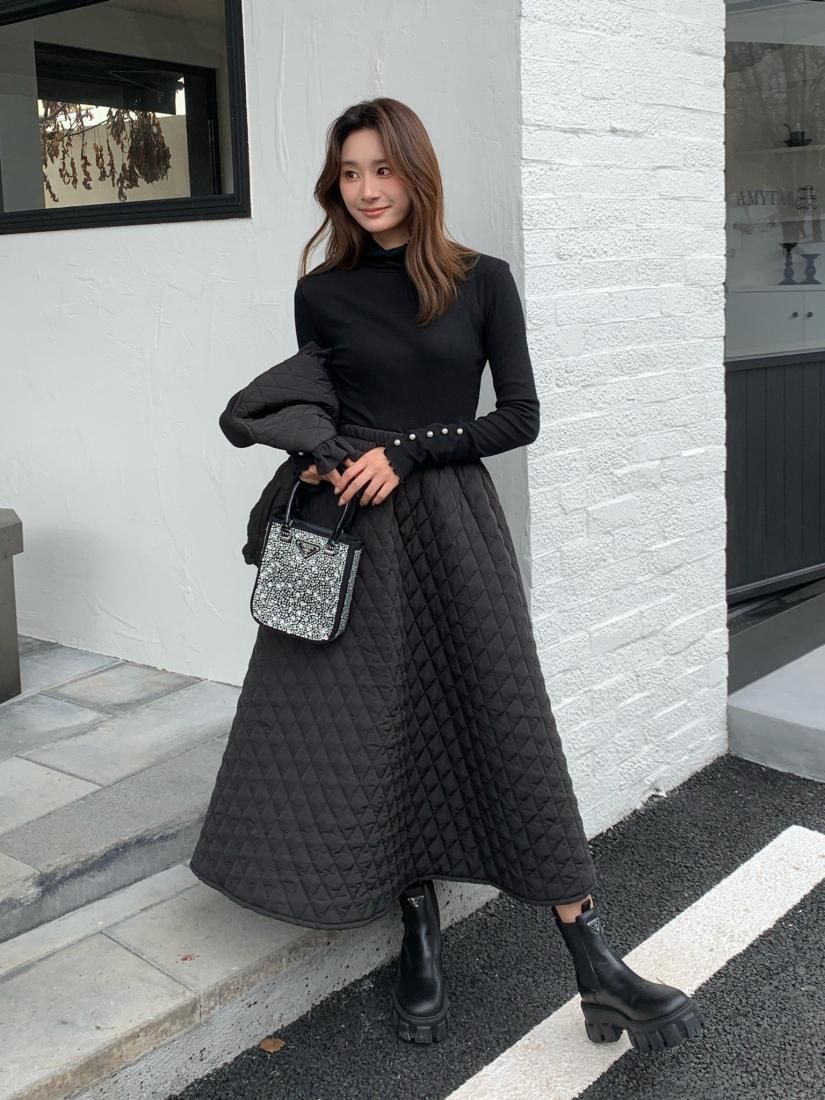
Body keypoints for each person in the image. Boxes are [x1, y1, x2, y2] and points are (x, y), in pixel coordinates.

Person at [189, 97, 703, 1055]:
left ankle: (595, 963)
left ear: (415, 173)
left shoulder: (481, 281)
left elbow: (519, 416)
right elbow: (325, 402)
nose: (366, 190)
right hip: (354, 531)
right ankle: (417, 923)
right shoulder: (322, 291)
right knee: (377, 724)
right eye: (349, 174)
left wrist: (411, 450)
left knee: (503, 719)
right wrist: (323, 456)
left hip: (454, 527)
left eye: (382, 169)